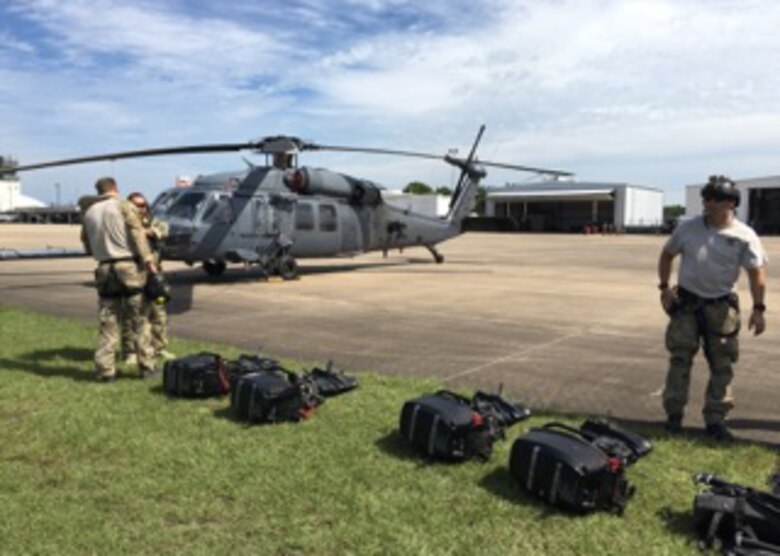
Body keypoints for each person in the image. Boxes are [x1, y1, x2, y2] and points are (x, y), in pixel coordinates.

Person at [657, 175, 767, 441]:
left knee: (722, 364)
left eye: (715, 198)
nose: (707, 203)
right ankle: (674, 416)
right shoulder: (687, 228)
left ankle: (716, 420)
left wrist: (759, 308)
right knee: (680, 359)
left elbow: (756, 274)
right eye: (706, 198)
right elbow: (667, 254)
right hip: (686, 304)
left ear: (731, 202)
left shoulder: (744, 235)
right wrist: (664, 288)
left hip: (721, 306)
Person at [80, 177, 158, 381]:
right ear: (115, 188)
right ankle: (147, 367)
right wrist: (149, 260)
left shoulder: (89, 212)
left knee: (108, 321)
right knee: (140, 319)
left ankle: (106, 371)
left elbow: (86, 243)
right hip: (128, 267)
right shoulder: (125, 206)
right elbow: (137, 234)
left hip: (104, 269)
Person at [121, 192, 175, 362]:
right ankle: (130, 351)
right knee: (132, 314)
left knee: (159, 313)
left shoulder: (154, 222)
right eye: (136, 205)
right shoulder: (124, 225)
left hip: (154, 275)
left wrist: (149, 231)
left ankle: (159, 347)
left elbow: (163, 230)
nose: (141, 208)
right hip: (134, 274)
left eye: (143, 205)